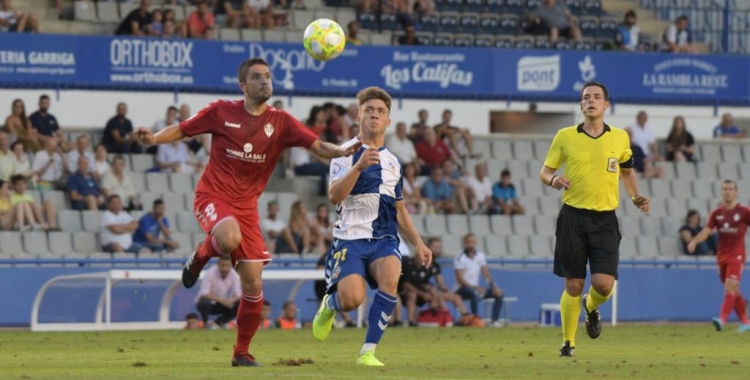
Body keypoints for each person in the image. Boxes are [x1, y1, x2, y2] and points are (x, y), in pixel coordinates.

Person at [135, 57, 361, 367]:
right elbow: (183, 130)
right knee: (227, 238)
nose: (265, 81)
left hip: (246, 209)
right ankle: (201, 255)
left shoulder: (281, 121)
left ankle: (241, 353)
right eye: (257, 77)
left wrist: (340, 150)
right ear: (243, 86)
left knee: (254, 283)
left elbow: (318, 146)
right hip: (212, 196)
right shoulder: (221, 112)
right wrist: (154, 138)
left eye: (268, 76)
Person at [311, 87, 432, 367]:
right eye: (369, 110)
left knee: (391, 276)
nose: (375, 115)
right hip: (350, 239)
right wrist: (358, 167)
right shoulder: (343, 154)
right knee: (352, 300)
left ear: (388, 121)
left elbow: (399, 209)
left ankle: (368, 351)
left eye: (380, 111)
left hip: (384, 238)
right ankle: (330, 305)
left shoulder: (394, 163)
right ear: (358, 116)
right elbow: (334, 197)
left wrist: (418, 242)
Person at [539, 81, 650, 357]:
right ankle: (568, 342)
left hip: (604, 220)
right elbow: (544, 171)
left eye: (596, 97)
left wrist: (635, 196)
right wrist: (552, 180)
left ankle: (591, 307)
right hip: (573, 218)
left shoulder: (620, 138)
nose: (591, 100)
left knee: (603, 285)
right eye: (586, 97)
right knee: (573, 283)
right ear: (581, 104)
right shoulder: (564, 136)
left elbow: (626, 172)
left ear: (606, 105)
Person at [687, 181, 750, 332]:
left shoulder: (744, 212)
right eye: (725, 189)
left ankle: (721, 320)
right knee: (732, 290)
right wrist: (694, 241)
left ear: (736, 192)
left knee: (730, 286)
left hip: (737, 254)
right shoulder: (716, 213)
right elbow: (707, 231)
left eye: (730, 189)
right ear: (721, 192)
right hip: (721, 256)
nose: (728, 192)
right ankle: (746, 322)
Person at [454, 233, 504, 327]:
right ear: (464, 243)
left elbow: (486, 273)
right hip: (461, 289)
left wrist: (493, 286)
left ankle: (494, 320)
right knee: (474, 293)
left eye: (472, 241)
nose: (470, 244)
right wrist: (475, 287)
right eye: (468, 242)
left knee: (499, 293)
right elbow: (459, 278)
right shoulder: (460, 257)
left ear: (475, 243)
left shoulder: (480, 256)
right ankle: (475, 319)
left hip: (475, 288)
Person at [196, 254, 241, 329]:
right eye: (222, 265)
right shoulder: (210, 273)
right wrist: (222, 300)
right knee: (204, 302)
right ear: (218, 264)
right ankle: (205, 323)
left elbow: (238, 294)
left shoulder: (233, 274)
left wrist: (230, 300)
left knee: (240, 303)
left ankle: (220, 322)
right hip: (208, 304)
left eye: (227, 265)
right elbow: (204, 293)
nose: (225, 268)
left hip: (221, 303)